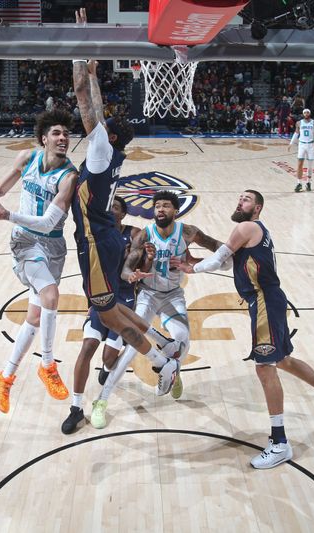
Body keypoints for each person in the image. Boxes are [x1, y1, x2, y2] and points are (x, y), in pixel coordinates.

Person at [173, 190, 314, 469]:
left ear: (257, 208)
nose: (239, 201)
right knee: (282, 360)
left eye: (246, 199)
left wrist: (192, 269)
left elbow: (217, 258)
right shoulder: (256, 233)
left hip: (264, 300)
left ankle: (280, 443)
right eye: (239, 198)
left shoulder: (246, 227)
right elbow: (230, 264)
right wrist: (193, 264)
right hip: (269, 299)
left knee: (264, 366)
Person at [70, 11, 183, 400]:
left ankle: (159, 361)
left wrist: (78, 45)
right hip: (103, 239)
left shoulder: (101, 152)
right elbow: (94, 107)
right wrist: (95, 72)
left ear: (110, 134)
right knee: (114, 309)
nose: (95, 126)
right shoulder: (109, 152)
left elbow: (84, 101)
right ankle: (163, 344)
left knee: (109, 316)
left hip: (98, 242)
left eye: (103, 126)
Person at [88, 191, 225, 429]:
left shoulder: (188, 232)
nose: (160, 210)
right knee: (131, 348)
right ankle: (101, 401)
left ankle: (172, 371)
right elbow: (125, 270)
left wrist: (236, 254)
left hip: (173, 295)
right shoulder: (145, 235)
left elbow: (218, 247)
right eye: (157, 206)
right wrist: (132, 274)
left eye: (166, 206)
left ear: (176, 211)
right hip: (148, 296)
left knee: (183, 338)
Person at [0, 110, 78, 414]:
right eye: (57, 133)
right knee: (50, 295)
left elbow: (48, 223)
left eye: (66, 134)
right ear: (44, 138)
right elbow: (0, 190)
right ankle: (47, 365)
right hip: (25, 242)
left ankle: (4, 377)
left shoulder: (68, 177)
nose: (63, 138)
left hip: (52, 245)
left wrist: (6, 215)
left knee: (35, 317)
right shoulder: (26, 159)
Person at [60, 196, 141, 434]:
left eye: (115, 207)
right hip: (99, 300)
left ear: (123, 214)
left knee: (108, 358)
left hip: (123, 300)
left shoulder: (135, 233)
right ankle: (76, 408)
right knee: (87, 347)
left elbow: (138, 264)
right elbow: (90, 272)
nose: (110, 210)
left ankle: (107, 370)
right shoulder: (95, 234)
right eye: (108, 206)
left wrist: (140, 265)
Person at [288, 108, 314, 192]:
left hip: (311, 144)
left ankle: (308, 183)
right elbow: (296, 133)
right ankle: (299, 183)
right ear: (303, 114)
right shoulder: (299, 123)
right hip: (302, 144)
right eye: (305, 112)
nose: (306, 114)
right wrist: (291, 143)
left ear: (310, 113)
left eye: (308, 112)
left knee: (310, 166)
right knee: (299, 164)